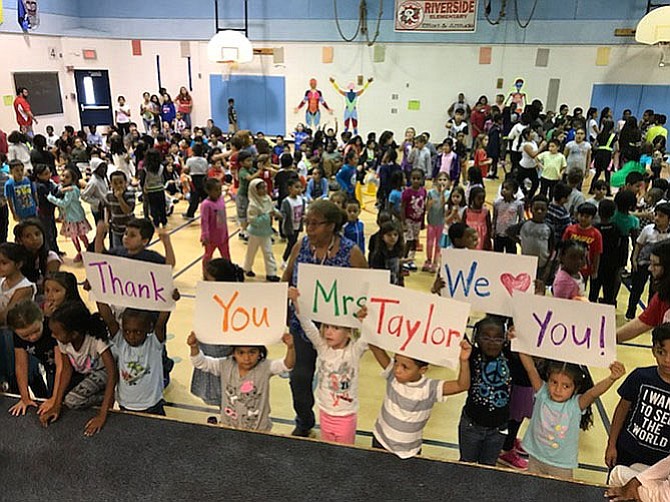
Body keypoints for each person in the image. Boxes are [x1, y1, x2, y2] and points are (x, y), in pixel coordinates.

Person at [282, 199, 367, 437]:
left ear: (331, 226)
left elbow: (369, 288)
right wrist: (282, 299)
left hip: (337, 333)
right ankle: (304, 420)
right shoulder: (301, 246)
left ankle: (337, 421)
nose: (308, 227)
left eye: (315, 223)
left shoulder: (351, 252)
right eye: (307, 222)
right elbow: (287, 276)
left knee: (336, 378)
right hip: (303, 327)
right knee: (299, 378)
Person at [517, 352, 625, 479]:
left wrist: (611, 378)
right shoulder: (543, 393)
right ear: (548, 379)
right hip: (536, 457)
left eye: (566, 386)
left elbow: (593, 393)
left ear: (576, 387)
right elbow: (530, 369)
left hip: (561, 464)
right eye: (554, 382)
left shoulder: (576, 405)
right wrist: (519, 344)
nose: (558, 389)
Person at [368, 333, 471, 459]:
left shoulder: (430, 388)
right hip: (380, 442)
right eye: (396, 362)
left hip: (410, 451)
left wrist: (464, 361)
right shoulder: (392, 375)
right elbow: (376, 349)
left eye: (405, 367)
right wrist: (368, 324)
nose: (397, 369)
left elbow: (462, 385)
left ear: (422, 370)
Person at [287, 286, 367, 444]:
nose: (329, 332)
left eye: (336, 328)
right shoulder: (322, 347)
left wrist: (364, 320)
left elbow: (368, 336)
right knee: (327, 450)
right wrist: (296, 301)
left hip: (345, 416)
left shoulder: (354, 351)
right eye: (326, 327)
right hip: (324, 412)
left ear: (348, 332)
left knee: (343, 453)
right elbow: (308, 326)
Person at [187, 329, 295, 431]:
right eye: (241, 353)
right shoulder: (224, 365)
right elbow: (200, 363)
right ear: (233, 353)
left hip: (259, 429)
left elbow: (287, 365)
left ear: (260, 353)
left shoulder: (266, 367)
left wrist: (290, 348)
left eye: (252, 352)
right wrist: (194, 347)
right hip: (229, 426)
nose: (247, 358)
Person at [38, 302, 117, 436]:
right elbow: (66, 370)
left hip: (104, 372)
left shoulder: (96, 341)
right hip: (88, 373)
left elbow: (112, 373)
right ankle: (104, 395)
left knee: (72, 401)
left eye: (56, 333)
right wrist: (56, 405)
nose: (53, 336)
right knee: (69, 399)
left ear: (74, 334)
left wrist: (102, 414)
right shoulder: (64, 341)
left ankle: (111, 396)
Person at [607, 323, 670, 470]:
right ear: (654, 350)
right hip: (626, 452)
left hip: (660, 463)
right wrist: (611, 445)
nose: (667, 360)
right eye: (662, 352)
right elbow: (621, 411)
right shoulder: (640, 376)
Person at [458, 317, 514, 466]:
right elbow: (455, 333)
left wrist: (516, 338)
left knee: (489, 467)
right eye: (486, 337)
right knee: (466, 465)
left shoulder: (511, 358)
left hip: (498, 429)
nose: (491, 342)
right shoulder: (471, 355)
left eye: (497, 339)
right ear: (476, 337)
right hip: (471, 425)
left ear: (505, 339)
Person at [99, 303, 170, 415]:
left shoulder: (154, 344)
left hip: (152, 405)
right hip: (125, 404)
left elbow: (161, 323)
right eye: (127, 331)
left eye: (138, 332)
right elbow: (110, 320)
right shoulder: (121, 342)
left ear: (149, 328)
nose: (131, 336)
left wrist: (169, 301)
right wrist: (97, 294)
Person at [7, 300, 61, 415]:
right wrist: (25, 398)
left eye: (36, 331)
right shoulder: (17, 336)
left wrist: (55, 399)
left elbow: (61, 365)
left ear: (42, 318)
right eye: (25, 335)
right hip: (50, 369)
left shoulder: (52, 327)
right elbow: (21, 366)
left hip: (69, 368)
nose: (32, 338)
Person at [627, 203, 670, 320]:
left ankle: (652, 316)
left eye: (661, 216)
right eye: (656, 215)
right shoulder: (648, 229)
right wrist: (634, 259)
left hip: (660, 269)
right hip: (643, 264)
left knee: (655, 291)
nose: (656, 218)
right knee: (636, 289)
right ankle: (630, 312)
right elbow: (638, 245)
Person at [46, 166, 91, 263]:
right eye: (62, 175)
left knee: (79, 236)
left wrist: (51, 198)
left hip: (74, 218)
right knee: (77, 237)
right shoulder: (67, 188)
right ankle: (83, 252)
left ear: (72, 179)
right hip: (72, 218)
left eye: (67, 177)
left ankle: (85, 252)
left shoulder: (71, 190)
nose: (63, 178)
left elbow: (64, 203)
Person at [244, 179, 281, 282]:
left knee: (268, 252)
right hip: (255, 233)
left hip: (265, 232)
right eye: (261, 188)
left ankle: (271, 273)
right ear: (254, 190)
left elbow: (271, 209)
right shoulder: (253, 205)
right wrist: (267, 216)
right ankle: (247, 268)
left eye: (265, 187)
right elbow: (252, 220)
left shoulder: (267, 198)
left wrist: (276, 213)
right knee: (252, 252)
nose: (264, 190)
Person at [589, 200, 624, 306]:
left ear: (598, 212)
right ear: (613, 213)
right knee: (608, 293)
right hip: (611, 267)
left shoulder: (594, 229)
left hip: (596, 265)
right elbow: (621, 249)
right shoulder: (617, 229)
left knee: (593, 291)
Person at [562, 202, 602, 285]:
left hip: (584, 270)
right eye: (581, 215)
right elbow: (562, 248)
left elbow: (597, 254)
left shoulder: (596, 234)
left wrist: (595, 270)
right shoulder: (570, 230)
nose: (583, 218)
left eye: (587, 217)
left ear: (592, 218)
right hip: (568, 267)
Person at [200, 177, 230, 268]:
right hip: (211, 238)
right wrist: (205, 236)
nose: (219, 192)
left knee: (226, 255)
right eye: (216, 190)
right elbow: (204, 221)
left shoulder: (221, 199)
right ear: (208, 191)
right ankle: (206, 271)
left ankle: (229, 271)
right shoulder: (206, 204)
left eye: (220, 189)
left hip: (223, 235)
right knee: (208, 255)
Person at [401, 169, 427, 271]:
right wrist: (403, 222)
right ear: (410, 179)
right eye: (414, 178)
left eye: (418, 178)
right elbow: (402, 207)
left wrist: (423, 221)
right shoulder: (407, 192)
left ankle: (411, 259)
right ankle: (404, 258)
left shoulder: (423, 191)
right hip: (409, 219)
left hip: (418, 220)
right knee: (409, 240)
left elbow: (423, 207)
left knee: (415, 240)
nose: (416, 181)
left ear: (422, 180)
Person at [104, 171, 136, 249]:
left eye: (121, 182)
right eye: (115, 183)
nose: (118, 185)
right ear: (110, 184)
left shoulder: (130, 194)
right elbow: (107, 208)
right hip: (115, 228)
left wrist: (120, 198)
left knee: (129, 250)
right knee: (118, 250)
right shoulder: (109, 195)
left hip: (129, 229)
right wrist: (106, 220)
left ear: (126, 182)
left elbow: (127, 211)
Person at [424, 172, 449, 272]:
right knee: (429, 242)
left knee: (439, 244)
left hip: (441, 223)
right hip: (431, 221)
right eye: (440, 179)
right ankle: (428, 260)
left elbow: (445, 206)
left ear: (448, 182)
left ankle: (435, 262)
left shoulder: (448, 194)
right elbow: (426, 208)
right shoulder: (430, 193)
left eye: (444, 180)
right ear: (435, 181)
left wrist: (442, 193)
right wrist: (429, 203)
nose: (442, 182)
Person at [493, 178, 524, 254]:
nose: (503, 190)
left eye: (507, 188)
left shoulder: (519, 204)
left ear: (514, 191)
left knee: (511, 254)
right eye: (503, 188)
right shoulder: (497, 203)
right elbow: (494, 217)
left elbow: (521, 219)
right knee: (497, 254)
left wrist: (519, 233)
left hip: (511, 235)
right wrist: (493, 229)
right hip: (499, 233)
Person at [369, 220, 405, 286]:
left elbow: (399, 273)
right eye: (389, 235)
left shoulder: (398, 251)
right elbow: (377, 275)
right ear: (382, 237)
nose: (393, 237)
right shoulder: (378, 255)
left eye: (395, 235)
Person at [280, 178, 305, 269]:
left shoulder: (301, 199)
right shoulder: (286, 202)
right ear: (290, 188)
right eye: (296, 187)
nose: (299, 189)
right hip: (289, 227)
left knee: (293, 243)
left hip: (297, 226)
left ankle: (290, 260)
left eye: (300, 187)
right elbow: (283, 214)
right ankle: (284, 260)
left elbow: (302, 212)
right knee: (292, 243)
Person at [464, 186, 492, 251]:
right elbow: (463, 225)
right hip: (469, 237)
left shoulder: (486, 211)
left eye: (483, 198)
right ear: (473, 198)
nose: (481, 201)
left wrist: (488, 240)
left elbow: (489, 226)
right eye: (479, 199)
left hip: (482, 238)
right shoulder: (466, 211)